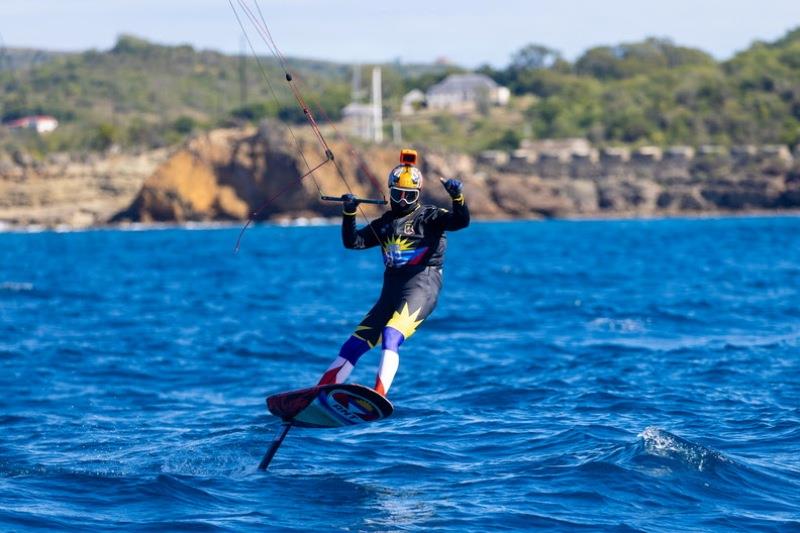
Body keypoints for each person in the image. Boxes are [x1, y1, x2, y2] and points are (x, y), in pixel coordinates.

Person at [318, 149, 470, 396]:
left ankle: (379, 393)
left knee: (391, 334)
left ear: (418, 196)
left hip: (423, 286)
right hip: (391, 291)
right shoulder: (385, 224)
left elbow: (460, 222)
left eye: (409, 196)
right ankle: (320, 394)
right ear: (390, 192)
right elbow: (353, 242)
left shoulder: (430, 217)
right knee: (354, 343)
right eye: (398, 194)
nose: (402, 201)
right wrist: (349, 213)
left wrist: (457, 198)